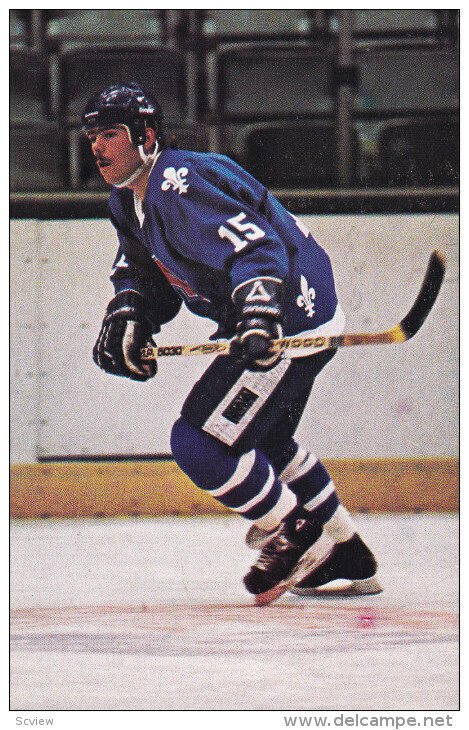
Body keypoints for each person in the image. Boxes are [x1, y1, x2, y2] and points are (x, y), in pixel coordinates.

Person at [85, 82, 382, 605]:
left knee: (200, 442)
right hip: (300, 314)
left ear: (146, 136)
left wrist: (260, 314)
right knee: (265, 441)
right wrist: (130, 311)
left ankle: (294, 531)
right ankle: (347, 551)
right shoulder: (126, 201)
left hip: (288, 318)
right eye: (92, 136)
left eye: (110, 134)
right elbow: (142, 270)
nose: (97, 147)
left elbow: (257, 247)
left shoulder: (179, 183)